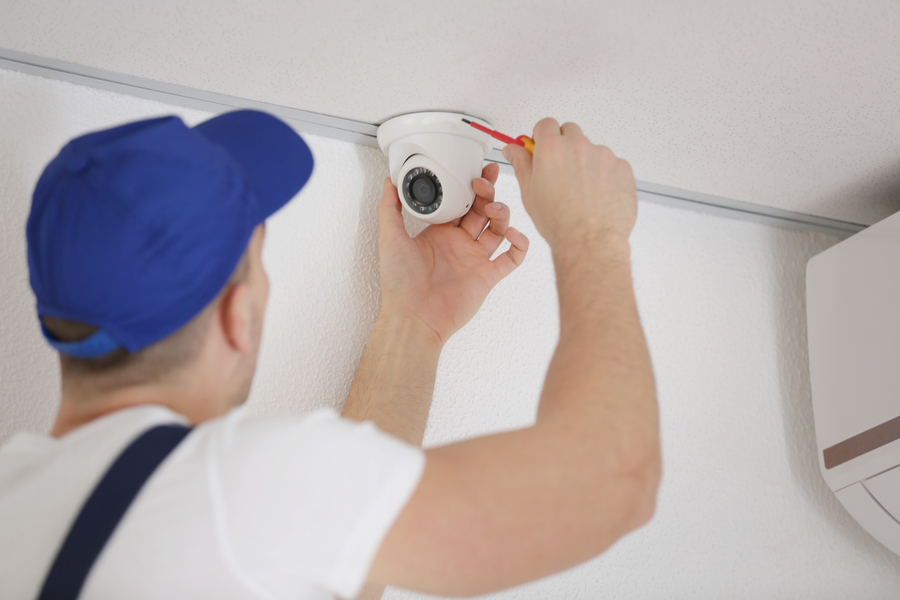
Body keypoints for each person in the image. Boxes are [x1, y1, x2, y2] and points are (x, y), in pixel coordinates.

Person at [0, 110, 660, 599]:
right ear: (239, 318)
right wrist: (593, 237)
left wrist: (416, 323)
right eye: (258, 263)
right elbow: (612, 485)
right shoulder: (236, 489)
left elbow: (330, 577)